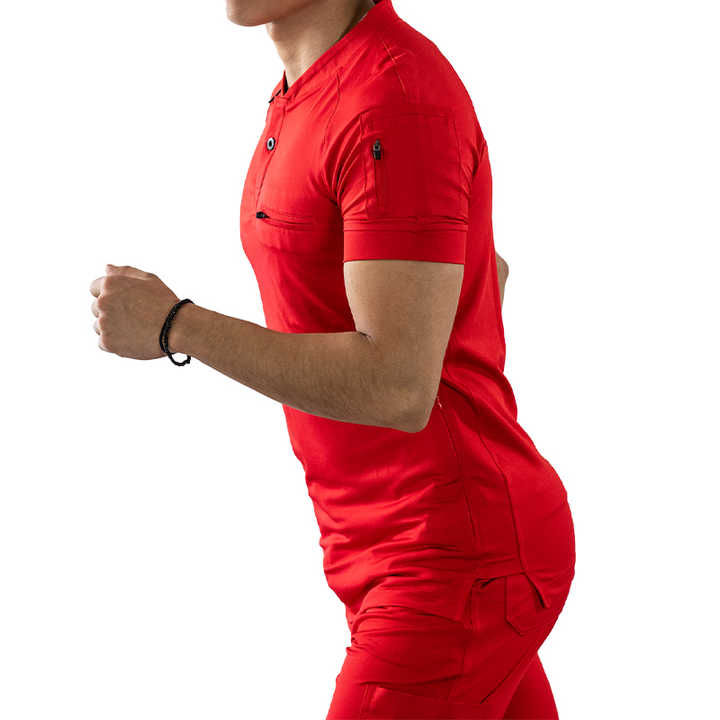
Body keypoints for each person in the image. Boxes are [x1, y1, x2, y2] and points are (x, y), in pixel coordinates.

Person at [89, 1, 575, 717]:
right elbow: (483, 270)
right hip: (390, 552)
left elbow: (398, 386)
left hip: (451, 562)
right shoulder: (314, 86)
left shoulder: (393, 101)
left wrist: (175, 326)